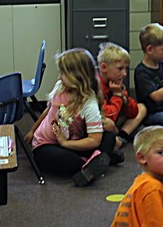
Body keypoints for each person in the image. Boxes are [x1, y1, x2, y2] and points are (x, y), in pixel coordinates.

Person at [25, 48, 114, 186]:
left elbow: (94, 139)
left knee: (108, 137)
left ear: (77, 76)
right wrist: (33, 130)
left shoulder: (89, 103)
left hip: (71, 143)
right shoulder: (60, 87)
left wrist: (66, 144)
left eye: (63, 73)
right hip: (45, 145)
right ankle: (96, 160)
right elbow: (48, 110)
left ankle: (91, 164)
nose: (59, 77)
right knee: (63, 160)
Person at [97, 42, 147, 152]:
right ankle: (124, 134)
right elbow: (109, 116)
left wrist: (124, 99)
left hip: (115, 118)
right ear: (104, 67)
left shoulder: (115, 82)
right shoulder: (97, 87)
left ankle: (122, 136)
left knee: (142, 107)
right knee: (108, 124)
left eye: (126, 69)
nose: (124, 74)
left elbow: (133, 112)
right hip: (101, 123)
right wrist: (116, 96)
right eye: (120, 69)